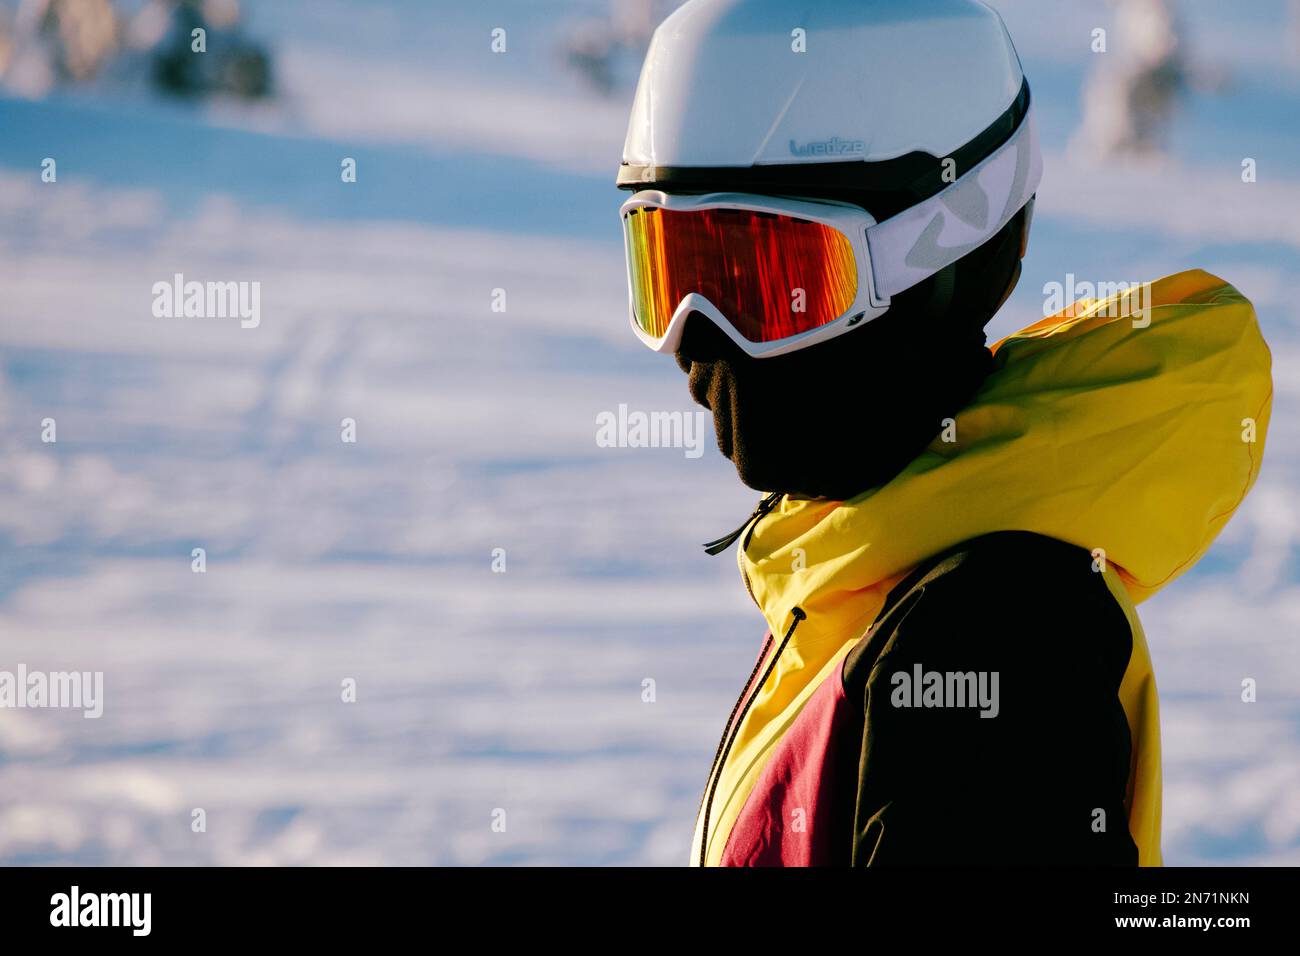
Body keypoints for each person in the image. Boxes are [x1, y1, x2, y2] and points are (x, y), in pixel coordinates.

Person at [615, 0, 1272, 866]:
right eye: (677, 272)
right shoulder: (868, 566)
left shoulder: (992, 642)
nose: (701, 336)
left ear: (936, 256)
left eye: (776, 280)